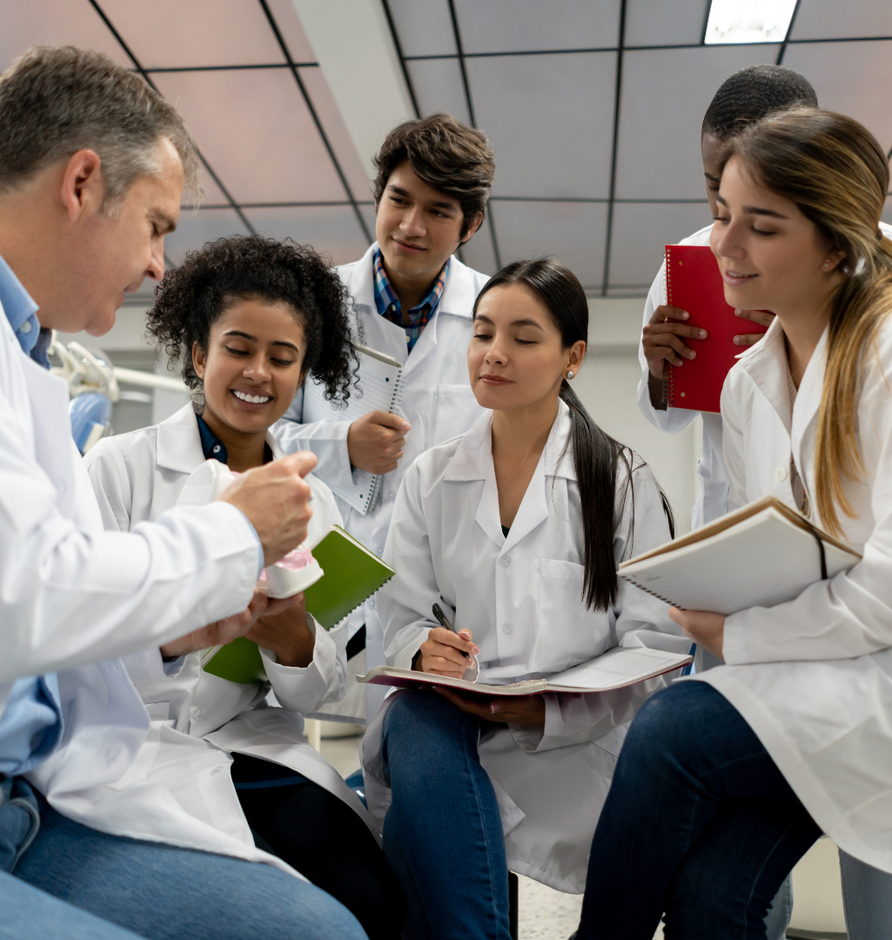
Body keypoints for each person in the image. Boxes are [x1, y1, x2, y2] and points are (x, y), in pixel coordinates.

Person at [0, 46, 366, 940]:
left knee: (329, 926)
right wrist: (226, 539)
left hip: (46, 781)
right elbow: (16, 599)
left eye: (283, 358)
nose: (154, 264)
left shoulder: (16, 346)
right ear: (82, 182)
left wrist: (182, 630)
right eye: (154, 225)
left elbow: (46, 635)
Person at [576, 108, 892, 939]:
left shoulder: (887, 353)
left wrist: (732, 631)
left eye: (761, 226)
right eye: (722, 215)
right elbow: (785, 555)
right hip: (821, 669)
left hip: (875, 678)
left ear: (834, 244)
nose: (724, 246)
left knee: (675, 726)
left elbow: (885, 600)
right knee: (716, 896)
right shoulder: (750, 381)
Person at [360, 258, 691, 940]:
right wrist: (425, 646)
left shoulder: (621, 482)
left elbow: (654, 646)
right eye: (482, 333)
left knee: (426, 850)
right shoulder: (432, 476)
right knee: (413, 722)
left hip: (573, 744)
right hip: (457, 722)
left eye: (523, 337)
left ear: (572, 357)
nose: (495, 353)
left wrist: (545, 707)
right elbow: (399, 612)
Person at [85, 234, 403, 940]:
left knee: (370, 901)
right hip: (133, 744)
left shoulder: (310, 501)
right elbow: (81, 624)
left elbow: (320, 693)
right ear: (199, 354)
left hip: (250, 743)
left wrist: (293, 644)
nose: (258, 372)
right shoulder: (118, 468)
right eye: (238, 348)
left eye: (282, 357)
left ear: (302, 372)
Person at [273, 113, 495, 721]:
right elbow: (259, 435)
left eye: (439, 211)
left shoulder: (492, 312)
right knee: (317, 747)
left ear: (470, 224)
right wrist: (341, 444)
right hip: (330, 574)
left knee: (420, 751)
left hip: (442, 592)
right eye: (399, 200)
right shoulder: (315, 302)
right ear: (379, 197)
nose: (411, 225)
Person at [637, 64, 817, 531]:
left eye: (745, 182)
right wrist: (660, 371)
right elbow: (666, 417)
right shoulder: (691, 262)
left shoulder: (877, 259)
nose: (722, 207)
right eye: (713, 184)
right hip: (733, 512)